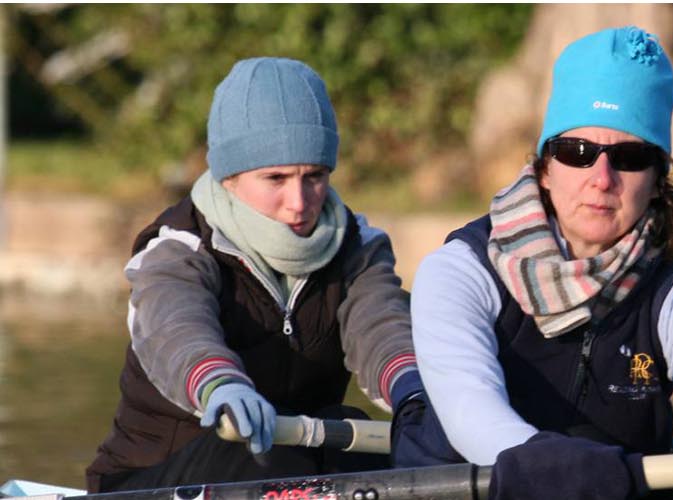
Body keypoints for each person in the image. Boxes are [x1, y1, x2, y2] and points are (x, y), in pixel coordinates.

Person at [396, 25, 673, 499]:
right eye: (577, 153)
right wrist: (567, 466)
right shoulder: (458, 272)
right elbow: (472, 416)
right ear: (544, 168)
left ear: (658, 180)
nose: (601, 179)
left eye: (630, 156)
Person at [85, 57, 423, 493]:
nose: (299, 202)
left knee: (356, 431)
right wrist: (219, 383)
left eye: (314, 177)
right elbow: (175, 328)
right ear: (229, 177)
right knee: (260, 453)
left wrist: (414, 392)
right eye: (276, 178)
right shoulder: (178, 250)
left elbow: (382, 328)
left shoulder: (357, 247)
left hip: (291, 460)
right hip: (149, 480)